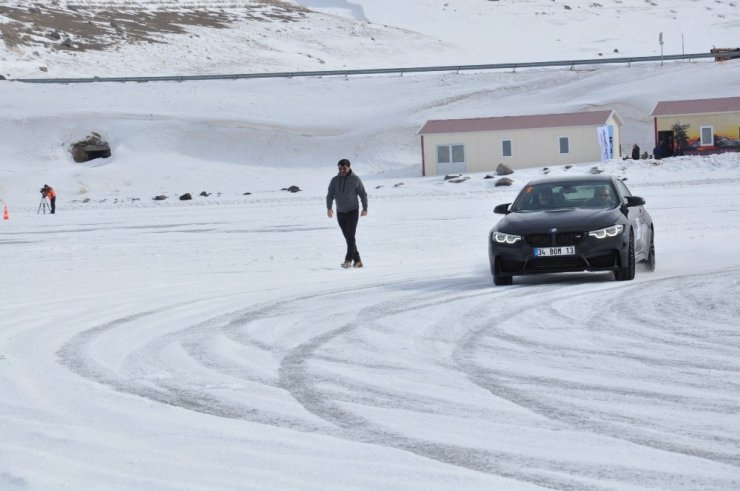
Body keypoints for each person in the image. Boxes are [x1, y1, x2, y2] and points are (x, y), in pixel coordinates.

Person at [326, 158, 368, 268]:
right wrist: (329, 208)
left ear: (349, 167)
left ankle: (348, 261)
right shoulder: (334, 180)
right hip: (340, 213)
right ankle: (358, 261)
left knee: (350, 236)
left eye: (344, 168)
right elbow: (330, 195)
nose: (342, 170)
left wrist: (365, 208)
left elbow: (363, 194)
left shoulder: (355, 179)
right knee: (348, 238)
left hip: (352, 212)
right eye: (340, 168)